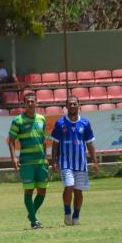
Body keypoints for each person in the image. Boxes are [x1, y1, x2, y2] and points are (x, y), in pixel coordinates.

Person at [50, 95, 100, 226]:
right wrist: (53, 161)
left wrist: (95, 161)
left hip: (81, 163)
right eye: (70, 104)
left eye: (74, 104)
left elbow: (90, 143)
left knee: (78, 190)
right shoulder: (60, 123)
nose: (72, 106)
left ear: (79, 105)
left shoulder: (85, 123)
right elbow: (55, 144)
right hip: (65, 162)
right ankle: (67, 213)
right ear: (66, 107)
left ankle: (76, 215)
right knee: (69, 186)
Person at [6, 93, 50, 229]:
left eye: (32, 101)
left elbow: (43, 140)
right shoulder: (18, 120)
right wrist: (13, 157)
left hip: (41, 161)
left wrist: (46, 157)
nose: (30, 103)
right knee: (29, 192)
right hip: (26, 162)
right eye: (28, 101)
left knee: (42, 191)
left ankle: (31, 214)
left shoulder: (42, 119)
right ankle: (34, 221)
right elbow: (11, 140)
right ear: (24, 104)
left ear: (36, 102)